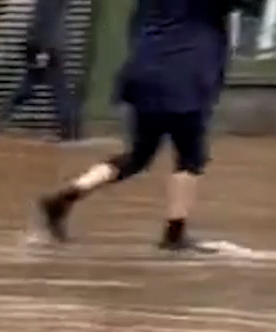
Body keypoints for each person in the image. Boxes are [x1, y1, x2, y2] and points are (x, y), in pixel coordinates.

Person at [35, 0, 241, 251]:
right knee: (191, 157)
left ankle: (68, 195)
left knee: (139, 155)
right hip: (185, 78)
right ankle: (175, 234)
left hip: (145, 73)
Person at [0, 0, 80, 141]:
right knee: (34, 86)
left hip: (46, 47)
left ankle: (68, 130)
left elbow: (45, 23)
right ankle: (2, 118)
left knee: (56, 90)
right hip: (47, 47)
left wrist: (42, 50)